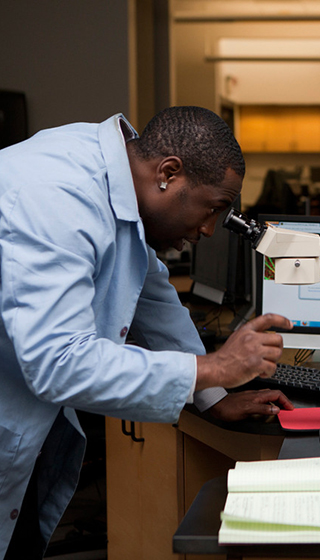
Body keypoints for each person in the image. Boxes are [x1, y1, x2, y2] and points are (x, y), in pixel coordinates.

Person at [0, 106, 294, 558]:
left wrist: (213, 395)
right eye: (212, 208)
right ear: (169, 174)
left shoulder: (117, 176)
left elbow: (155, 297)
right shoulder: (57, 196)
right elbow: (57, 363)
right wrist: (213, 366)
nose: (208, 229)